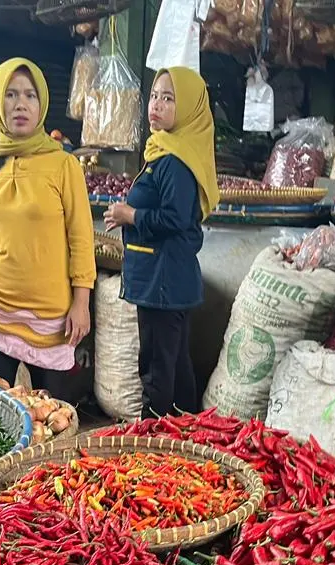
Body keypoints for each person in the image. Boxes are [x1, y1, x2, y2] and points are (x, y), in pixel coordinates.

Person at [0, 59, 94, 395]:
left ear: (41, 104)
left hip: (51, 317)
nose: (20, 104)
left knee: (55, 412)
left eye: (30, 95)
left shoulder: (64, 165)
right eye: (11, 94)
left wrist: (81, 302)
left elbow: (81, 238)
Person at [104, 67, 218, 418]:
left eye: (168, 98)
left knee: (157, 363)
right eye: (154, 95)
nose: (156, 104)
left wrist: (131, 215)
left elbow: (175, 218)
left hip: (162, 281)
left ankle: (152, 435)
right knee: (173, 361)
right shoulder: (164, 152)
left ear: (188, 109)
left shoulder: (176, 162)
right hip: (162, 278)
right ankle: (184, 431)